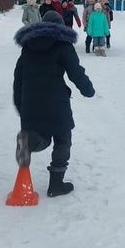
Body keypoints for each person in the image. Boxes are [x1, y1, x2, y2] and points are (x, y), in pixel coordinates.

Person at [13, 10, 95, 197]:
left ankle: (30, 143)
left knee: (37, 134)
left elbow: (18, 77)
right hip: (56, 101)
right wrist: (88, 90)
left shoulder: (27, 47)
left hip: (31, 102)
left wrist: (20, 103)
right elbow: (76, 73)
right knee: (62, 139)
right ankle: (56, 184)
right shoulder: (63, 45)